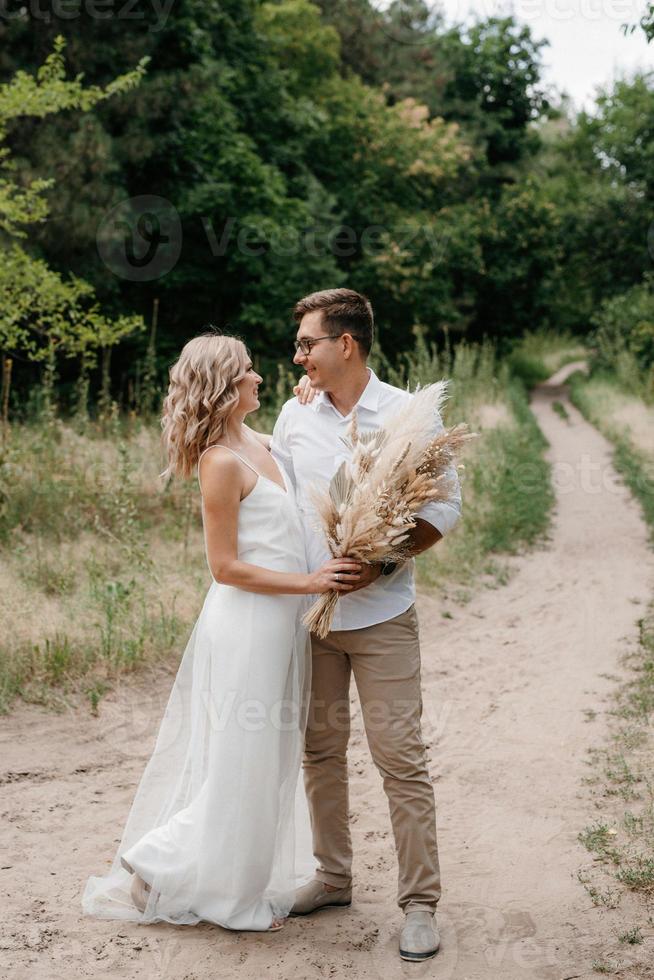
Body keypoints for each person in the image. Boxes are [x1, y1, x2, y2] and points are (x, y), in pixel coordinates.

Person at [81, 333, 362, 932]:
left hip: (280, 623)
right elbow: (225, 567)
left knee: (264, 759)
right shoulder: (219, 461)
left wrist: (312, 391)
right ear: (227, 384)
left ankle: (219, 879)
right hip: (246, 626)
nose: (261, 378)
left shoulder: (260, 442)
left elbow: (312, 436)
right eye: (250, 371)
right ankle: (158, 861)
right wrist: (312, 583)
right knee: (243, 757)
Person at [270, 288, 462, 961]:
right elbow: (278, 504)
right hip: (313, 618)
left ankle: (420, 904)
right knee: (319, 754)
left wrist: (383, 561)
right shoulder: (293, 418)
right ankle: (332, 876)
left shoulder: (410, 415)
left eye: (307, 344)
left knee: (400, 758)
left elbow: (443, 514)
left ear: (344, 344)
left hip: (383, 616)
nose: (298, 356)